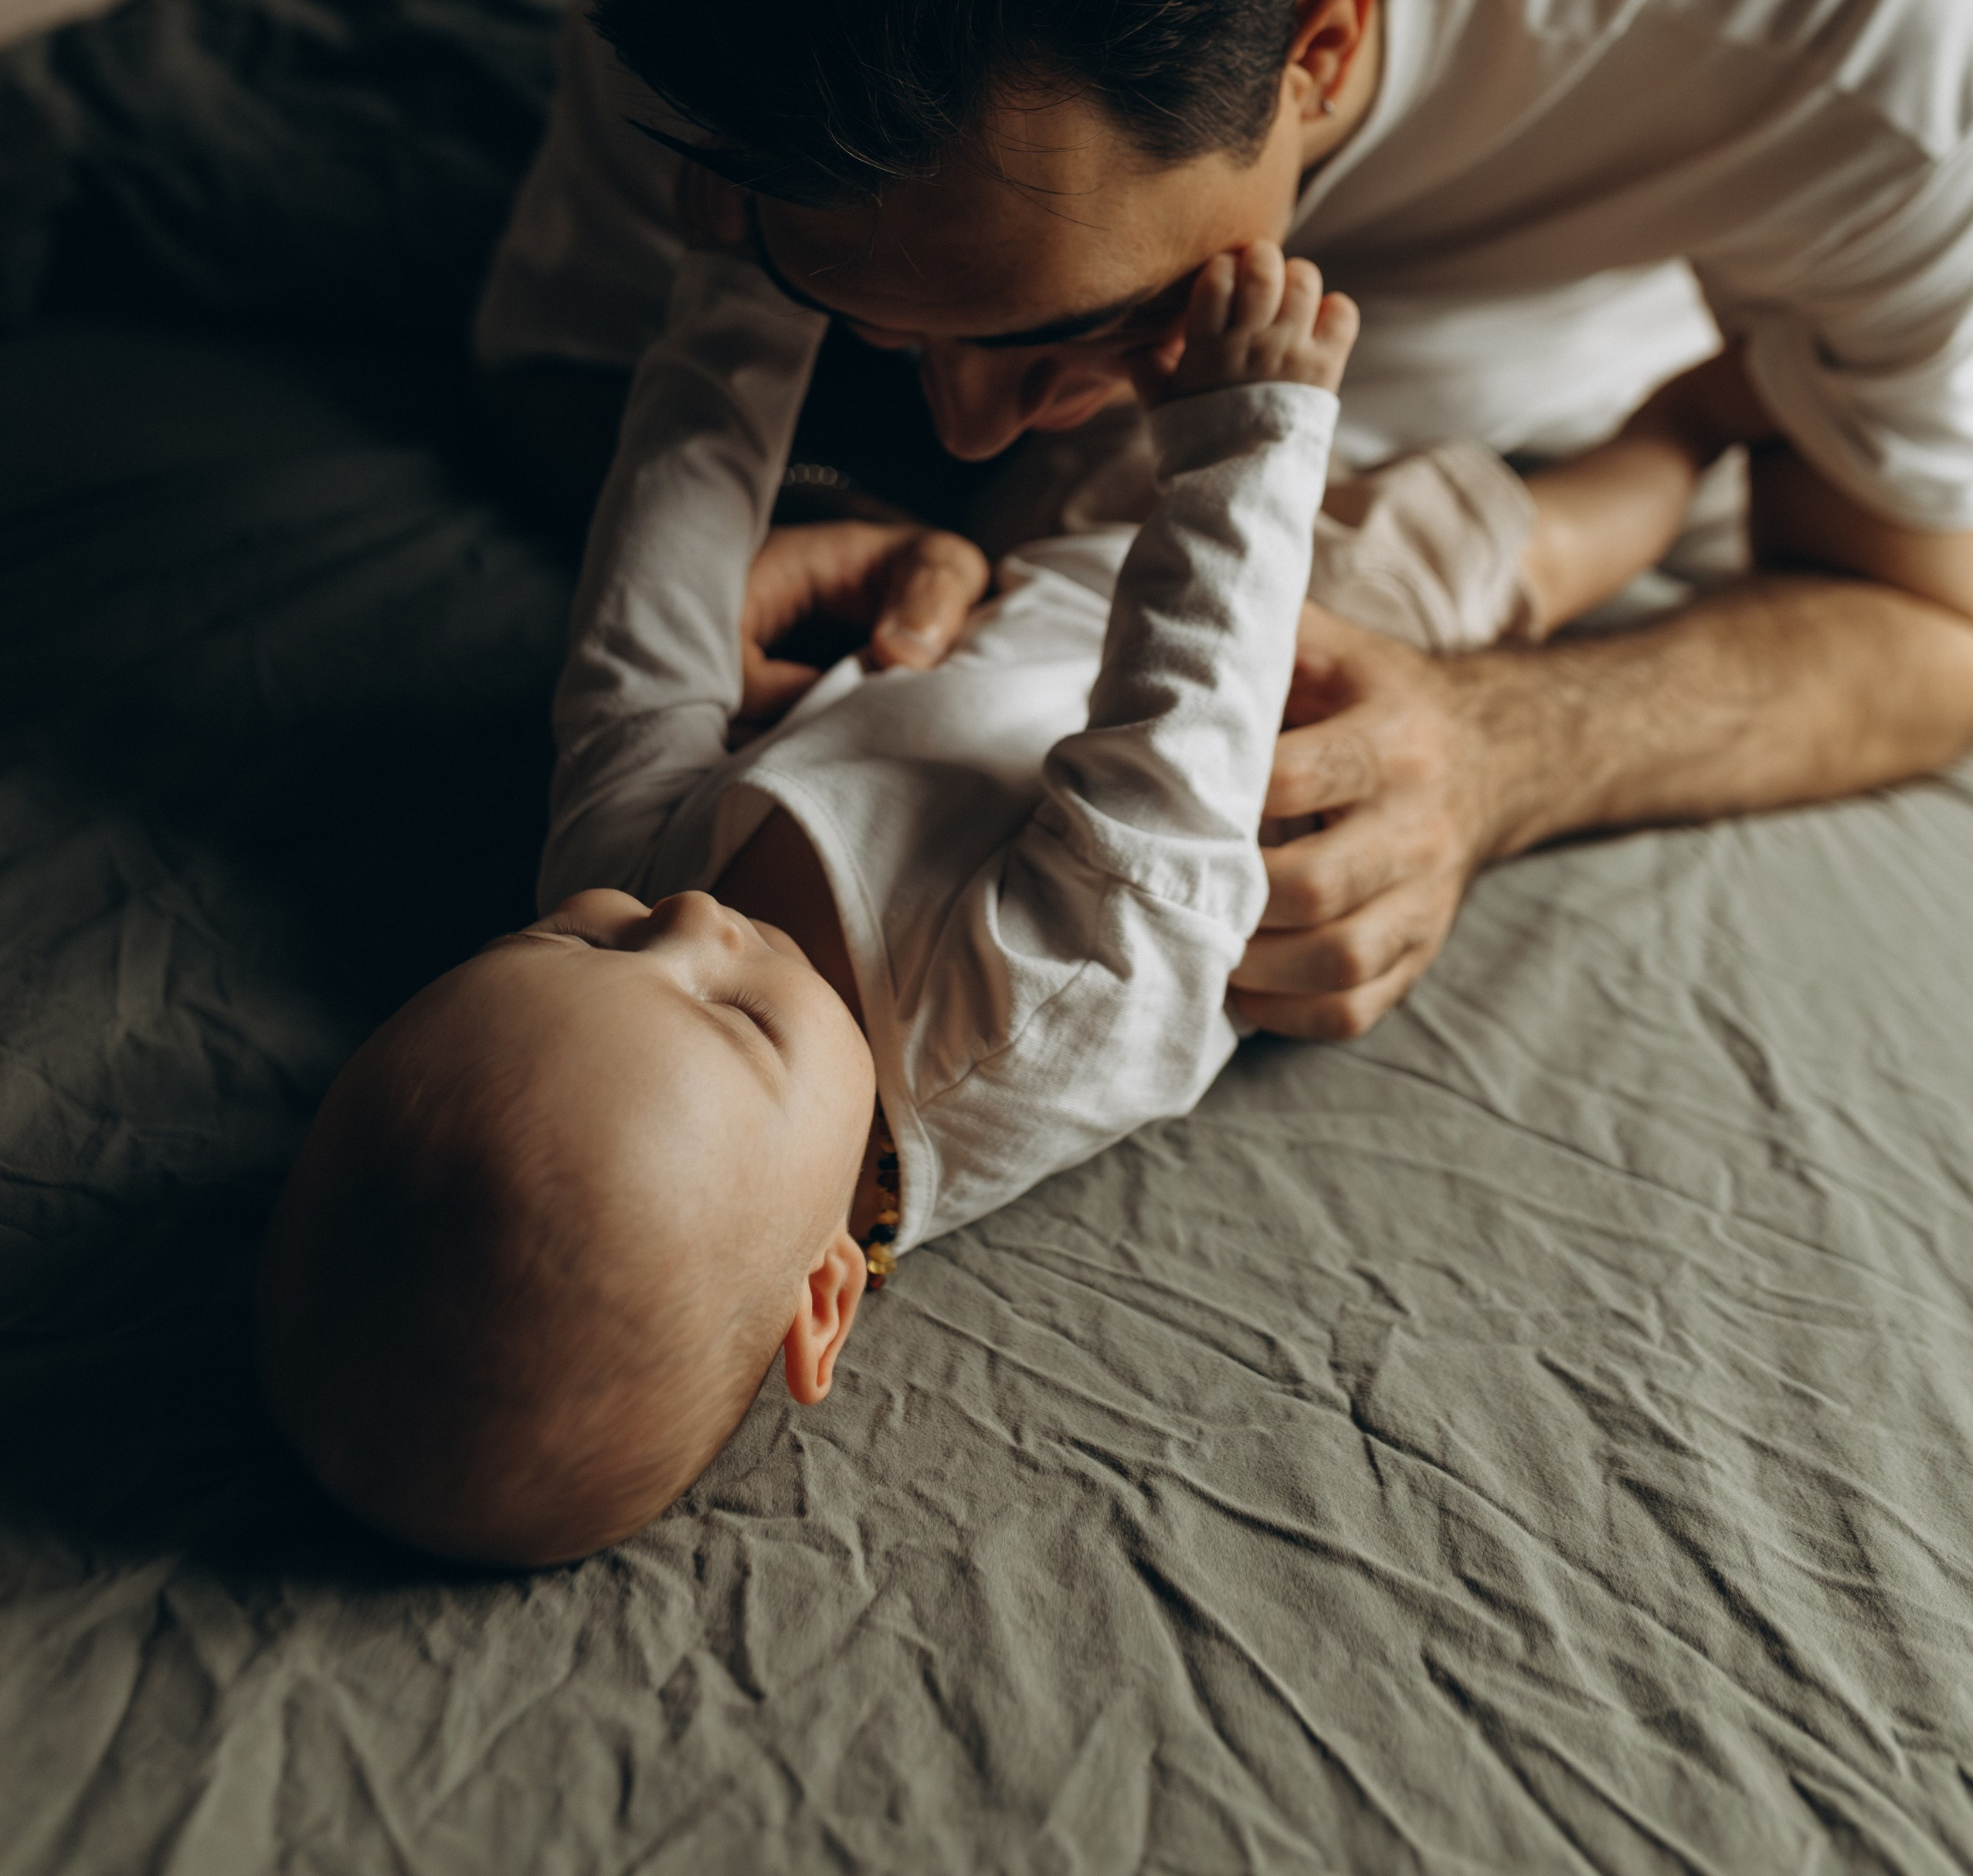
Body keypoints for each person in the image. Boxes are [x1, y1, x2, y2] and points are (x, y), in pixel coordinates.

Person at [477, 0, 1973, 1050]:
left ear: (1317, 49)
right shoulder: (727, 13)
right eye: (858, 323)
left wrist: (1502, 748)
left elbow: (1930, 627)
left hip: (1558, 394)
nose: (972, 434)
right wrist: (809, 512)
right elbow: (560, 359)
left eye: (1080, 322)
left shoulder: (1869, 7)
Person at [260, 233, 1723, 1565]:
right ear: (820, 1295)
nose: (684, 923)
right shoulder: (1011, 1031)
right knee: (1548, 532)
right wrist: (1241, 448)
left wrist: (745, 294)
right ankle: (1711, 418)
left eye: (574, 938)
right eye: (732, 1020)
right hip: (1304, 637)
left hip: (1059, 567)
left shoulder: (633, 871)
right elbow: (1177, 770)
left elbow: (648, 623)